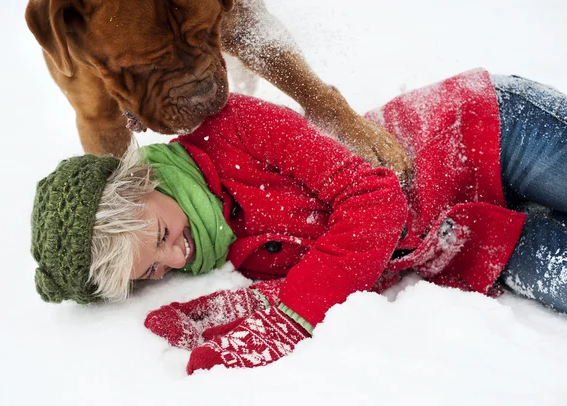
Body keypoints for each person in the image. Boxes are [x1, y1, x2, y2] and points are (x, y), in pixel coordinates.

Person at [31, 68, 567, 374]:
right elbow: (353, 268)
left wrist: (293, 310)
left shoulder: (235, 127)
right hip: (475, 235)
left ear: (140, 183)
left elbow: (377, 201)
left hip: (485, 133)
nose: (176, 258)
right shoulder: (233, 250)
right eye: (153, 272)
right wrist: (264, 302)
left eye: (160, 237)